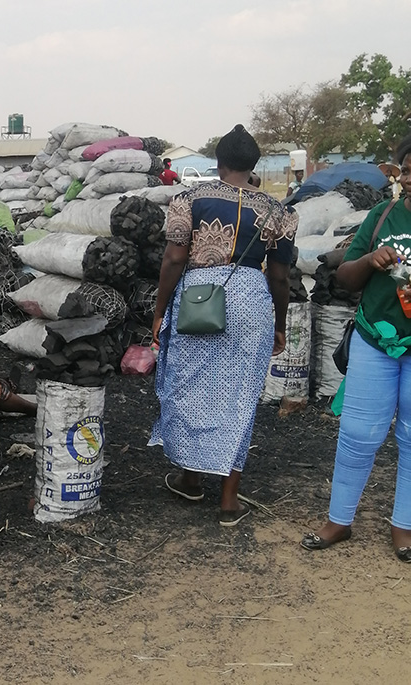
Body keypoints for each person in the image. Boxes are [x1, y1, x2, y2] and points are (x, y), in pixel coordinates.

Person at [149, 124, 298, 526]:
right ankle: (228, 500)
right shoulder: (278, 210)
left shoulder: (188, 198)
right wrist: (278, 323)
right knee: (240, 395)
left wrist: (160, 309)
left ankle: (191, 477)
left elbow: (174, 258)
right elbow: (280, 276)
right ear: (254, 165)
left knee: (189, 383)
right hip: (251, 299)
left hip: (200, 297)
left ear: (219, 163)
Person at [301, 134, 411, 561]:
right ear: (400, 174)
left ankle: (403, 527)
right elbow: (345, 277)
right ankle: (339, 521)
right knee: (358, 435)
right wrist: (370, 260)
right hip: (373, 341)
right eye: (409, 169)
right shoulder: (383, 216)